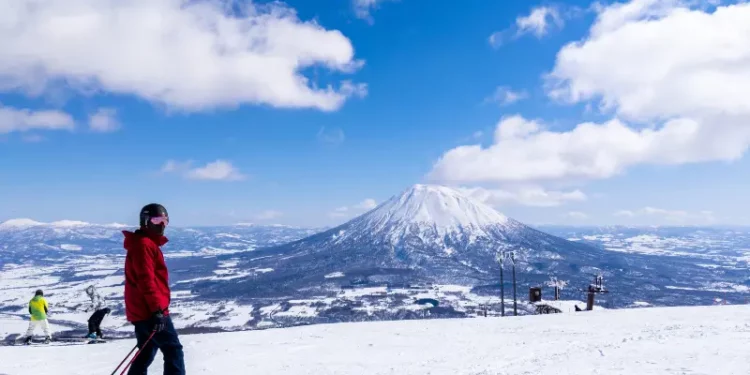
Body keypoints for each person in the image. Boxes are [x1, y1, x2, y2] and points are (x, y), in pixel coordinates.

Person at [123, 203, 185, 375]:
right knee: (173, 349)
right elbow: (146, 280)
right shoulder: (144, 245)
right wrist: (157, 310)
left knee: (146, 351)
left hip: (143, 310)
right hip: (150, 311)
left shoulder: (144, 243)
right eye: (157, 219)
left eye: (165, 220)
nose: (162, 224)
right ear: (145, 221)